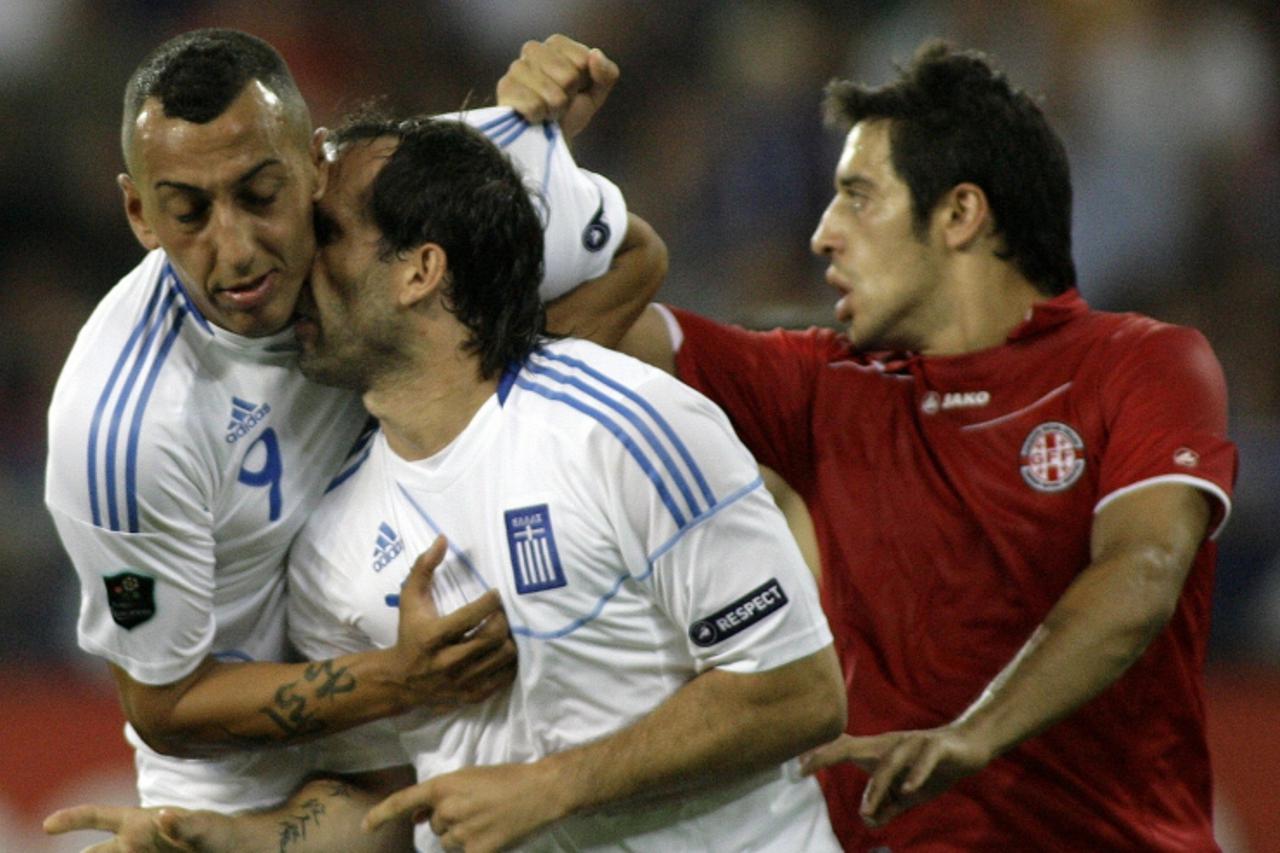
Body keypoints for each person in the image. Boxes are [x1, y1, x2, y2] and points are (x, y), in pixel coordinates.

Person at [504, 36, 1239, 850]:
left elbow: (1141, 570)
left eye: (857, 197)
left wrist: (975, 731)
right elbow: (578, 336)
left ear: (961, 214)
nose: (822, 234)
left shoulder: (1140, 360)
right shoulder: (826, 385)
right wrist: (535, 157)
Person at [58, 108, 846, 853]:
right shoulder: (331, 542)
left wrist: (550, 786)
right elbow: (391, 802)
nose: (292, 257)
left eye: (326, 233)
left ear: (420, 270)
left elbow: (797, 690)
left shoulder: (628, 426)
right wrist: (245, 838)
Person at [43, 27, 660, 820]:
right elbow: (163, 707)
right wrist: (398, 678)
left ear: (317, 160)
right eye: (188, 212)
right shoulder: (119, 430)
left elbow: (638, 258)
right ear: (138, 211)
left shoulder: (409, 208)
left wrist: (481, 413)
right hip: (260, 782)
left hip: (456, 704)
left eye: (261, 194)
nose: (233, 250)